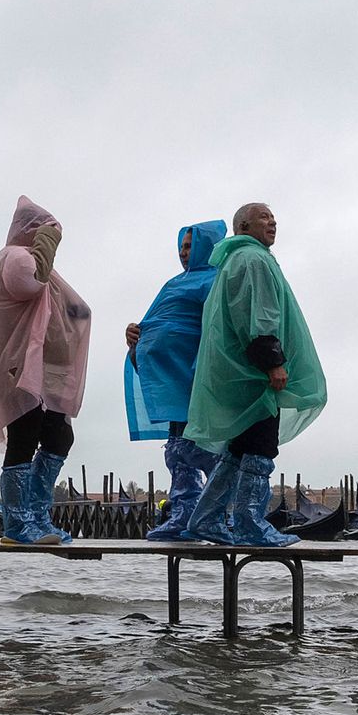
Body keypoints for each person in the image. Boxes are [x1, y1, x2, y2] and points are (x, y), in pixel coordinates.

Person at [181, 203, 327, 545]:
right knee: (261, 446)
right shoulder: (253, 259)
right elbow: (258, 314)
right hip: (252, 373)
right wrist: (272, 360)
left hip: (236, 371)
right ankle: (249, 523)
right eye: (264, 217)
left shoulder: (235, 260)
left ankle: (206, 517)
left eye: (274, 216)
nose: (273, 221)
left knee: (240, 447)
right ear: (244, 226)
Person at [0, 196, 91, 544]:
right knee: (24, 436)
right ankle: (17, 524)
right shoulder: (13, 258)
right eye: (47, 232)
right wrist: (46, 243)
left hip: (44, 371)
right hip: (17, 367)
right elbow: (29, 283)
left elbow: (75, 310)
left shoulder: (43, 269)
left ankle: (38, 516)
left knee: (59, 436)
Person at [124, 219, 226, 541]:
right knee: (176, 451)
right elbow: (160, 320)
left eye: (190, 246)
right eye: (181, 247)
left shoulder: (216, 281)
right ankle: (182, 514)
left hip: (196, 377)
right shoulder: (173, 284)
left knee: (203, 449)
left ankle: (217, 515)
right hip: (171, 377)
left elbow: (217, 327)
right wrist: (136, 337)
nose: (184, 253)